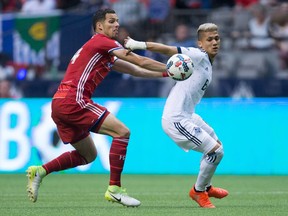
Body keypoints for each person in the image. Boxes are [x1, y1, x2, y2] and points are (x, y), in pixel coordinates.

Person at [26, 8, 168, 207]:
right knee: (122, 132)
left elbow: (135, 70)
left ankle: (40, 171)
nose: (116, 24)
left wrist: (166, 75)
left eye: (117, 21)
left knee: (88, 155)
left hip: (60, 102)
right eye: (111, 21)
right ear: (99, 26)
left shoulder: (102, 51)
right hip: (73, 100)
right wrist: (170, 66)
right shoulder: (103, 42)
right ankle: (115, 189)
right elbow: (139, 59)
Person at [125, 23, 229, 208]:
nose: (214, 42)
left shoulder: (208, 64)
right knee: (215, 151)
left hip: (189, 115)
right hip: (176, 120)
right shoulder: (198, 55)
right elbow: (168, 49)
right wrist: (137, 44)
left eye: (217, 38)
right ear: (200, 44)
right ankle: (198, 192)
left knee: (217, 147)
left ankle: (205, 186)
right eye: (209, 39)